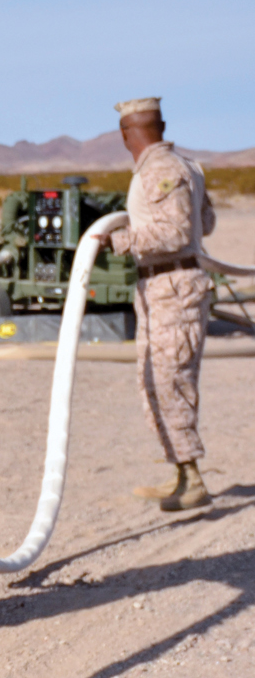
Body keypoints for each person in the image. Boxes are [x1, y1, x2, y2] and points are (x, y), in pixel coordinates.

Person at [107, 97, 216, 511]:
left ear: (125, 135)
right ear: (162, 125)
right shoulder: (188, 167)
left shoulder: (161, 171)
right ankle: (180, 471)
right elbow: (206, 224)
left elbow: (176, 232)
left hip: (172, 288)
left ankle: (192, 479)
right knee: (156, 381)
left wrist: (122, 240)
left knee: (171, 381)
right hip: (164, 288)